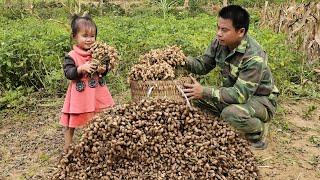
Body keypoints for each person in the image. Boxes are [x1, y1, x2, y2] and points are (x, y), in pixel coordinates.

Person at [183, 5, 278, 150]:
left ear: (241, 32)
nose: (219, 33)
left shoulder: (253, 57)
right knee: (192, 100)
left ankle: (256, 130)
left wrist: (205, 91)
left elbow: (240, 95)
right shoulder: (220, 43)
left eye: (224, 30)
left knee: (230, 114)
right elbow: (202, 66)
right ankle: (225, 126)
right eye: (218, 28)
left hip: (261, 100)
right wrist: (181, 59)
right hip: (233, 94)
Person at [60, 14, 115, 151]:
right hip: (80, 96)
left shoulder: (99, 53)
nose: (89, 40)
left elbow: (105, 69)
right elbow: (68, 73)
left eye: (92, 36)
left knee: (102, 118)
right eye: (85, 36)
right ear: (74, 36)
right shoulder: (72, 56)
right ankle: (68, 148)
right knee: (71, 122)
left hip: (98, 94)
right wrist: (80, 69)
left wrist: (103, 69)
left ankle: (100, 143)